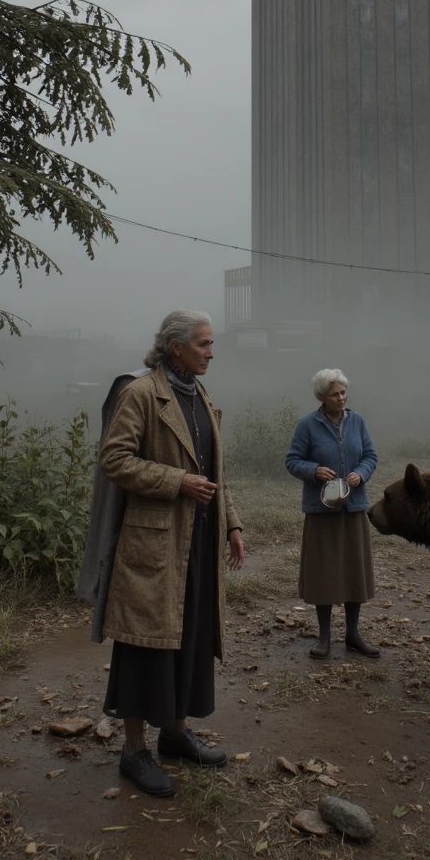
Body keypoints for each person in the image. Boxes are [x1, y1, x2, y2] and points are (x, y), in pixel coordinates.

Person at [93, 310, 244, 798]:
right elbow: (114, 459)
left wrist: (232, 524)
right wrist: (176, 482)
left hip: (198, 540)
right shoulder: (140, 393)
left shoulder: (198, 393)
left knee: (191, 634)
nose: (211, 352)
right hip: (154, 543)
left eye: (212, 342)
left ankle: (175, 736)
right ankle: (133, 751)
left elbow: (214, 469)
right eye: (203, 343)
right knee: (144, 642)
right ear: (175, 347)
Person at [285, 369, 379, 659]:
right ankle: (324, 636)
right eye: (335, 394)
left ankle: (353, 634)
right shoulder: (307, 425)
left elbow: (370, 456)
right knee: (323, 572)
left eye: (343, 392)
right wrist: (314, 471)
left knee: (354, 569)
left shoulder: (358, 421)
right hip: (321, 510)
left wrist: (360, 474)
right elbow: (292, 461)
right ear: (321, 397)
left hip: (353, 508)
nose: (341, 398)